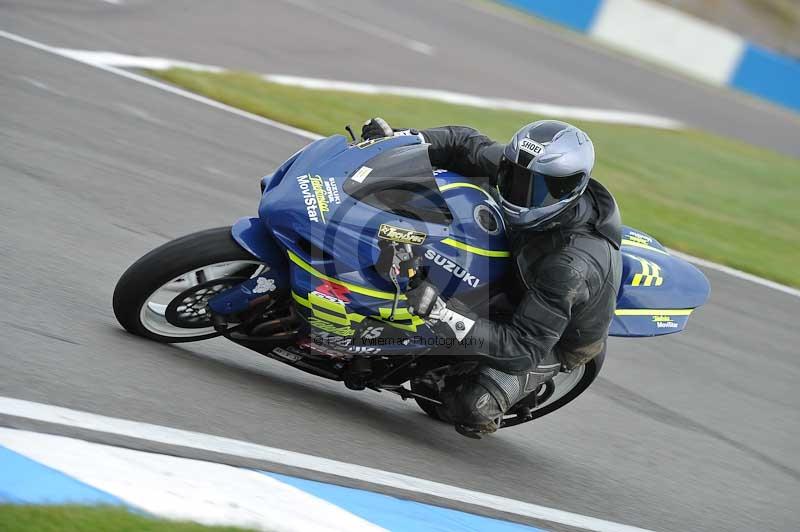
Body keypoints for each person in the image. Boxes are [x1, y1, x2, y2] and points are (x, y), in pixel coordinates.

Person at [361, 118, 623, 438]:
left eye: (535, 189)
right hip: (517, 268)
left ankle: (497, 396)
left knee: (470, 406)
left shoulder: (570, 266)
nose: (518, 191)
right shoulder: (524, 167)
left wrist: (443, 314)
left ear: (567, 189)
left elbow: (521, 348)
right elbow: (463, 143)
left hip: (551, 336)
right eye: (514, 177)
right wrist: (399, 140)